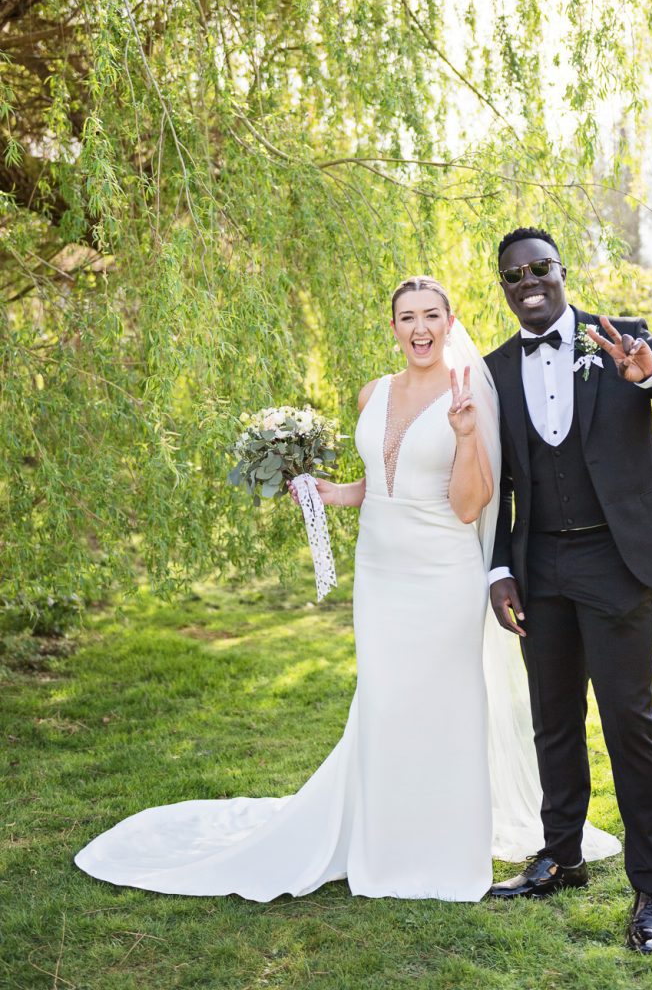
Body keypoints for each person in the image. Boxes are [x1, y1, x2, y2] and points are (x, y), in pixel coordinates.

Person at [75, 275, 618, 902]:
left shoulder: (472, 395)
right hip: (379, 572)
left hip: (441, 573)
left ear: (450, 321)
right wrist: (332, 492)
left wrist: (467, 435)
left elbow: (471, 505)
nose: (419, 328)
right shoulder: (374, 394)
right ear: (393, 327)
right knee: (383, 700)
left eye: (431, 316)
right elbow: (383, 482)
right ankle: (382, 835)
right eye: (407, 317)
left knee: (442, 703)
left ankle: (440, 845)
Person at [484, 227, 652, 951]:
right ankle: (561, 857)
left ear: (562, 272)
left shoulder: (621, 340)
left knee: (630, 724)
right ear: (504, 288)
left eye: (540, 268)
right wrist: (499, 568)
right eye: (513, 275)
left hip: (617, 562)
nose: (528, 281)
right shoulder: (496, 369)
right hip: (540, 570)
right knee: (552, 720)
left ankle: (651, 889)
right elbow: (495, 483)